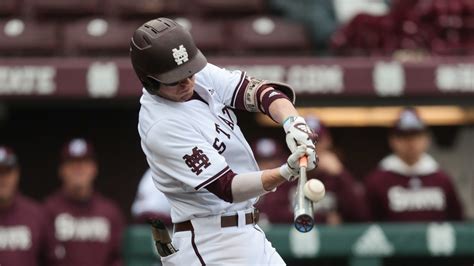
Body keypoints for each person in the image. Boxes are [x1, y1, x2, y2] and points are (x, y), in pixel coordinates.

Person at [130, 17, 317, 265]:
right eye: (176, 78)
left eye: (190, 71)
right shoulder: (161, 126)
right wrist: (285, 172)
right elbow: (228, 188)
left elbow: (255, 92)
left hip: (247, 231)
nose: (188, 81)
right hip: (211, 242)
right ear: (150, 82)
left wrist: (293, 122)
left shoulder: (192, 73)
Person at [257, 116, 370, 225]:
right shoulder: (288, 171)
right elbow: (271, 215)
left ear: (328, 141)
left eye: (316, 141)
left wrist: (340, 174)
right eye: (305, 141)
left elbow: (361, 214)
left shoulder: (337, 176)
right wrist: (323, 219)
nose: (311, 147)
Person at [364, 108, 464, 221]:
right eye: (404, 136)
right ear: (392, 140)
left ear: (427, 139)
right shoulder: (377, 180)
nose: (411, 142)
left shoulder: (441, 178)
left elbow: (457, 219)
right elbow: (366, 221)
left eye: (416, 135)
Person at [44, 138, 125, 266]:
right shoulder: (47, 210)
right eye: (72, 163)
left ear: (94, 169)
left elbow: (119, 258)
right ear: (61, 170)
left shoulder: (110, 212)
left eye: (84, 163)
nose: (78, 169)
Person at [0, 146, 54, 266]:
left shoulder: (37, 214)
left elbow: (52, 260)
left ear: (17, 174)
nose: (2, 179)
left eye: (7, 171)